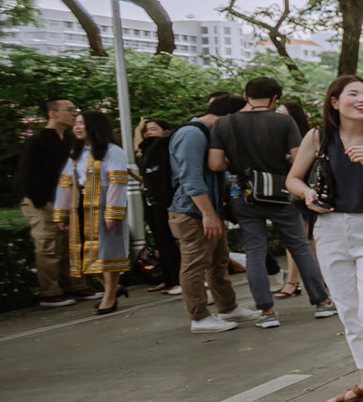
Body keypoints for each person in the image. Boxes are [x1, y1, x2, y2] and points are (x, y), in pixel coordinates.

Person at [289, 76, 363, 402]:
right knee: (348, 308)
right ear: (335, 102)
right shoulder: (318, 136)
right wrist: (307, 193)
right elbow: (293, 178)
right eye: (353, 94)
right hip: (330, 228)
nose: (362, 99)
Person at [208, 76, 333, 329]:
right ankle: (322, 302)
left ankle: (266, 311)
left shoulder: (223, 124)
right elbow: (299, 159)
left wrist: (241, 167)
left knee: (255, 252)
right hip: (282, 194)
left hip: (244, 195)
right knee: (299, 246)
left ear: (246, 96)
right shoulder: (284, 122)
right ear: (275, 98)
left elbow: (216, 164)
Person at [169, 93, 247, 331]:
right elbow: (190, 178)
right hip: (192, 211)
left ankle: (228, 307)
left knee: (218, 261)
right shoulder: (191, 135)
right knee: (195, 264)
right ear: (229, 116)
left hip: (208, 209)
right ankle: (199, 316)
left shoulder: (208, 133)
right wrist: (208, 215)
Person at [54, 110, 131, 314]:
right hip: (80, 204)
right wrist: (62, 213)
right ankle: (113, 288)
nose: (77, 127)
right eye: (76, 124)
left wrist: (113, 212)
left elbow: (117, 182)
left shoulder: (112, 151)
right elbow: (65, 183)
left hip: (104, 203)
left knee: (107, 252)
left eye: (82, 123)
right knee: (84, 253)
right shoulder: (77, 151)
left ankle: (109, 297)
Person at [14, 96, 85, 306]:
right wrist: (43, 201)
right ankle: (50, 292)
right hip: (41, 200)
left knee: (69, 245)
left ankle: (74, 286)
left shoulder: (71, 140)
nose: (74, 114)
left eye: (75, 110)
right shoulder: (37, 140)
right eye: (69, 110)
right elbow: (27, 175)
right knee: (48, 245)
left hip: (65, 200)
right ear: (52, 113)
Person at [274, 101, 317, 300]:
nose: (278, 117)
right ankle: (294, 281)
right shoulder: (276, 136)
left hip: (304, 190)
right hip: (286, 190)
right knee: (297, 237)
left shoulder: (307, 137)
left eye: (283, 113)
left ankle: (303, 281)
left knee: (305, 237)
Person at [137, 119, 181, 293]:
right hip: (151, 200)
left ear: (165, 131)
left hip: (165, 201)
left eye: (154, 129)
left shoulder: (166, 149)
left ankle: (177, 280)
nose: (149, 132)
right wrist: (138, 129)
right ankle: (168, 279)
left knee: (167, 240)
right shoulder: (147, 151)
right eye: (146, 130)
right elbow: (138, 148)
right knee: (159, 241)